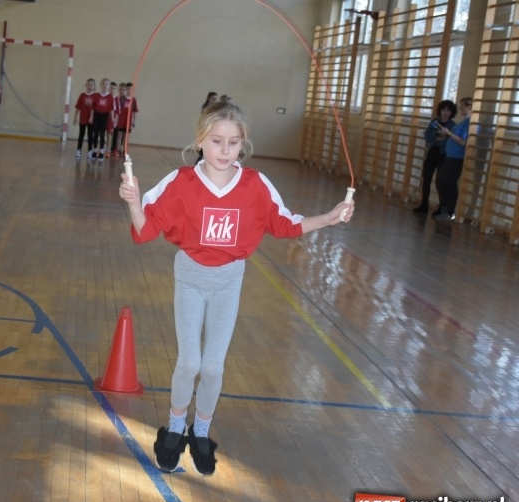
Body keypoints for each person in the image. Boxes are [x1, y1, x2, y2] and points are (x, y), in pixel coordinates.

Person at [117, 101, 354, 475]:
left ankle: (202, 432)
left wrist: (329, 216)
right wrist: (133, 202)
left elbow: (286, 224)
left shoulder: (256, 185)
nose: (225, 150)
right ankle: (175, 429)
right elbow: (145, 230)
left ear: (242, 144)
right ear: (200, 141)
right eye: (216, 141)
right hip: (191, 277)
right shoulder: (180, 182)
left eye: (233, 142)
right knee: (189, 361)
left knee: (212, 367)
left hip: (229, 280)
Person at [433, 97, 473, 221]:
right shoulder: (463, 121)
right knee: (444, 182)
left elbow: (463, 141)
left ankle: (449, 212)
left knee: (445, 182)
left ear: (469, 107)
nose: (460, 108)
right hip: (450, 155)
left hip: (456, 158)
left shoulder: (469, 122)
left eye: (462, 106)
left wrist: (449, 133)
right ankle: (446, 209)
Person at [414, 100, 456, 213]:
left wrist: (439, 138)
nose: (445, 113)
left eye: (448, 110)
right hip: (432, 152)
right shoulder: (435, 122)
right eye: (443, 110)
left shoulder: (452, 125)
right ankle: (424, 204)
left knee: (440, 181)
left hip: (443, 154)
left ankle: (441, 207)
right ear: (440, 111)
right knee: (426, 178)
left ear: (451, 112)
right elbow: (428, 135)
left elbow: (447, 140)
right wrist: (438, 136)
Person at [110, 82, 138, 158]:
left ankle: (124, 150)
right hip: (121, 121)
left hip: (128, 122)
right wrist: (116, 120)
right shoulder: (122, 99)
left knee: (126, 137)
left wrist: (133, 121)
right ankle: (117, 150)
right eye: (128, 89)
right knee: (119, 136)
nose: (129, 90)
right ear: (126, 90)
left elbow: (134, 111)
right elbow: (118, 111)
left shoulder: (133, 100)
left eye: (131, 89)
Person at [91, 78, 114, 160]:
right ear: (101, 85)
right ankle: (94, 151)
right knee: (95, 134)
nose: (105, 85)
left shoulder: (110, 97)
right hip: (97, 115)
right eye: (103, 84)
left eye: (107, 84)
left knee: (102, 134)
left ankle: (101, 151)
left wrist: (112, 119)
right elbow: (93, 107)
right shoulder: (96, 95)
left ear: (108, 86)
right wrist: (91, 117)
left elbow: (111, 109)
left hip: (105, 116)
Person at [73, 78, 96, 158]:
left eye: (91, 85)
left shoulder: (96, 96)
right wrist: (75, 117)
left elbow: (97, 108)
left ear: (94, 86)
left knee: (90, 135)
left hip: (91, 119)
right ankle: (78, 150)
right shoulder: (82, 95)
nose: (90, 86)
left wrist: (91, 105)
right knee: (81, 135)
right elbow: (78, 107)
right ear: (86, 85)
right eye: (88, 84)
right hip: (82, 118)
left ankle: (90, 151)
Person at [196, 92, 219, 163]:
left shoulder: (217, 107)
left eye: (216, 99)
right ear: (209, 99)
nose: (215, 100)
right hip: (206, 127)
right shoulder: (206, 106)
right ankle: (200, 158)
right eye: (213, 99)